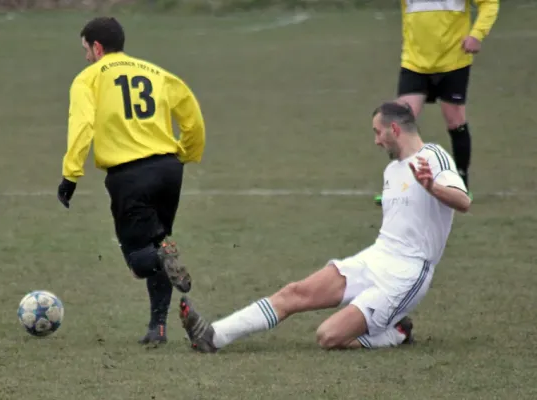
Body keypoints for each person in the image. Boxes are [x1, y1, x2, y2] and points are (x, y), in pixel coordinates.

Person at [179, 102, 470, 353]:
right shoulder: (392, 170)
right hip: (377, 257)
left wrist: (431, 186)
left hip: (406, 273)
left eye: (377, 132)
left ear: (394, 129)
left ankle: (396, 333)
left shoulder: (433, 157)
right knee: (295, 292)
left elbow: (463, 201)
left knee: (328, 336)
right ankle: (214, 336)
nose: (376, 140)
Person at [56, 17, 206, 346]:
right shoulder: (158, 73)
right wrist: (187, 154)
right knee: (159, 244)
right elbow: (191, 115)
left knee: (141, 261)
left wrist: (70, 175)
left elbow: (81, 127)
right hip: (169, 169)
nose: (85, 57)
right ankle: (158, 327)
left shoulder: (87, 79)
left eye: (85, 50)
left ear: (97, 47)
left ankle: (163, 260)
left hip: (130, 176)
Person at [375, 0, 499, 205]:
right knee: (399, 123)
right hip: (414, 62)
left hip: (454, 60)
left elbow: (490, 3)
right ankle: (398, 186)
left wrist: (477, 34)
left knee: (455, 122)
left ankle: (461, 185)